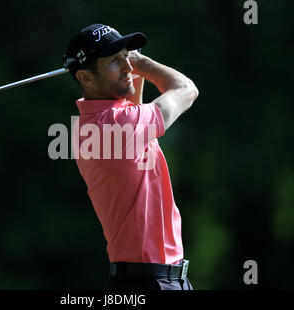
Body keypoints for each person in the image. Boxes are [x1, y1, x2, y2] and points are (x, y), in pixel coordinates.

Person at [63, 24, 199, 290]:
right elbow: (186, 89)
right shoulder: (117, 125)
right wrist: (142, 63)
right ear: (85, 78)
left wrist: (125, 65)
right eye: (114, 60)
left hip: (154, 279)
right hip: (149, 282)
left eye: (126, 55)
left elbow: (131, 103)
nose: (127, 65)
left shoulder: (93, 124)